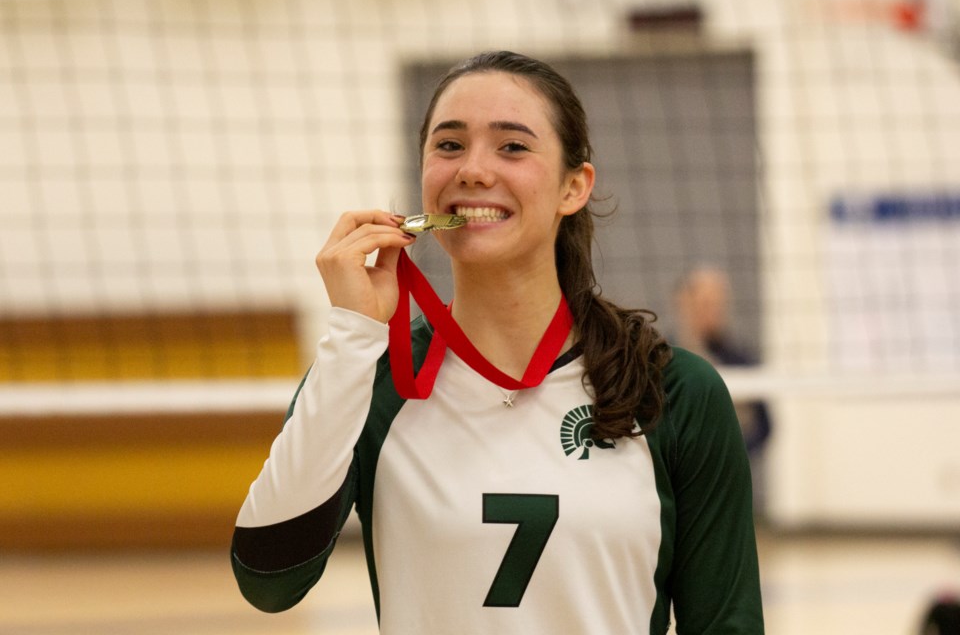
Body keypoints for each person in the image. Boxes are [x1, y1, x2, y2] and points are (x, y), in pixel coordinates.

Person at [231, 50, 764, 633]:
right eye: (449, 145)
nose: (473, 170)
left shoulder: (673, 391)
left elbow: (726, 624)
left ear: (574, 187)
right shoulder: (372, 379)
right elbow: (269, 583)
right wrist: (353, 334)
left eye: (512, 146)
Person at [672, 266, 772, 454]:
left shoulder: (740, 360)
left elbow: (764, 427)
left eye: (720, 303)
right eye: (706, 303)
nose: (715, 312)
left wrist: (732, 453)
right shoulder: (665, 356)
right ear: (684, 303)